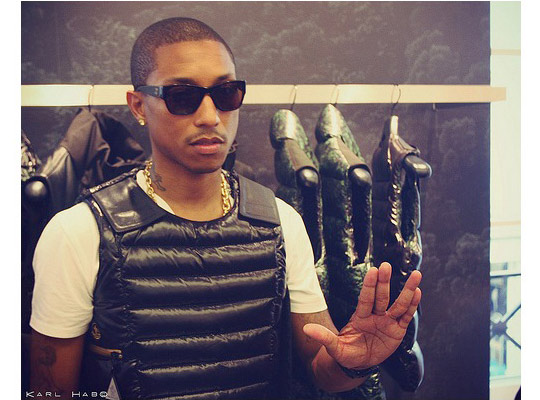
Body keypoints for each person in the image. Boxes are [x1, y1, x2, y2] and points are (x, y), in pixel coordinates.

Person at [29, 17, 422, 400]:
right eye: (182, 97)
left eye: (226, 93)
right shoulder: (78, 233)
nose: (210, 116)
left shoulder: (281, 222)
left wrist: (354, 363)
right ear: (138, 106)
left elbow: (322, 369)